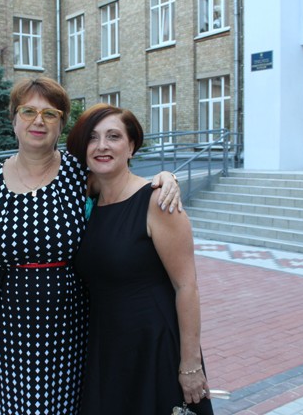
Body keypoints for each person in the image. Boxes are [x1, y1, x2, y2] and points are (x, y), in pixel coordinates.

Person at [0, 78, 183, 414]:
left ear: (61, 125)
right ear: (13, 119)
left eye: (50, 114)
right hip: (6, 326)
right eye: (28, 111)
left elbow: (126, 185)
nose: (38, 121)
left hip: (69, 325)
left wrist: (165, 179)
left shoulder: (79, 175)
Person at [67, 104, 213, 415]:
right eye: (93, 137)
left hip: (153, 347)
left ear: (132, 146)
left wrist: (190, 365)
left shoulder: (158, 201)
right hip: (106, 347)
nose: (102, 146)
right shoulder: (88, 197)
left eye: (114, 136)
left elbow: (186, 287)